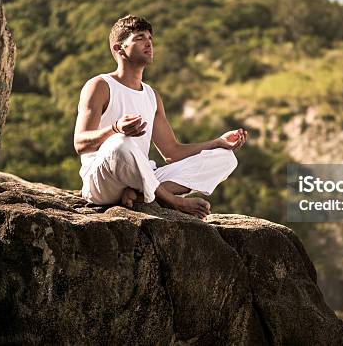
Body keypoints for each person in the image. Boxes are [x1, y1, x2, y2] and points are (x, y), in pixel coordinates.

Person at [73, 15, 247, 219]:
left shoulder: (151, 96)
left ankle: (140, 195)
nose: (148, 43)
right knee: (120, 143)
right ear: (118, 49)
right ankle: (170, 200)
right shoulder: (100, 86)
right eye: (139, 38)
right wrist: (115, 129)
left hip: (142, 176)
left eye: (150, 38)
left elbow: (172, 152)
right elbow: (80, 144)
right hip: (103, 180)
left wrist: (218, 142)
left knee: (225, 159)